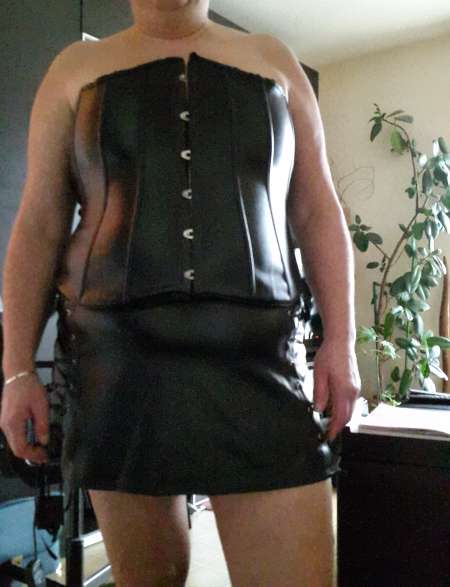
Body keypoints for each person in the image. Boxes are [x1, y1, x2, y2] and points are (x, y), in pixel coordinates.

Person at [0, 1, 361, 585]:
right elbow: (40, 224)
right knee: (151, 577)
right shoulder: (75, 67)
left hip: (259, 364)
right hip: (119, 368)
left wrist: (341, 341)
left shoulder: (273, 59)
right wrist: (18, 370)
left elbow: (318, 209)